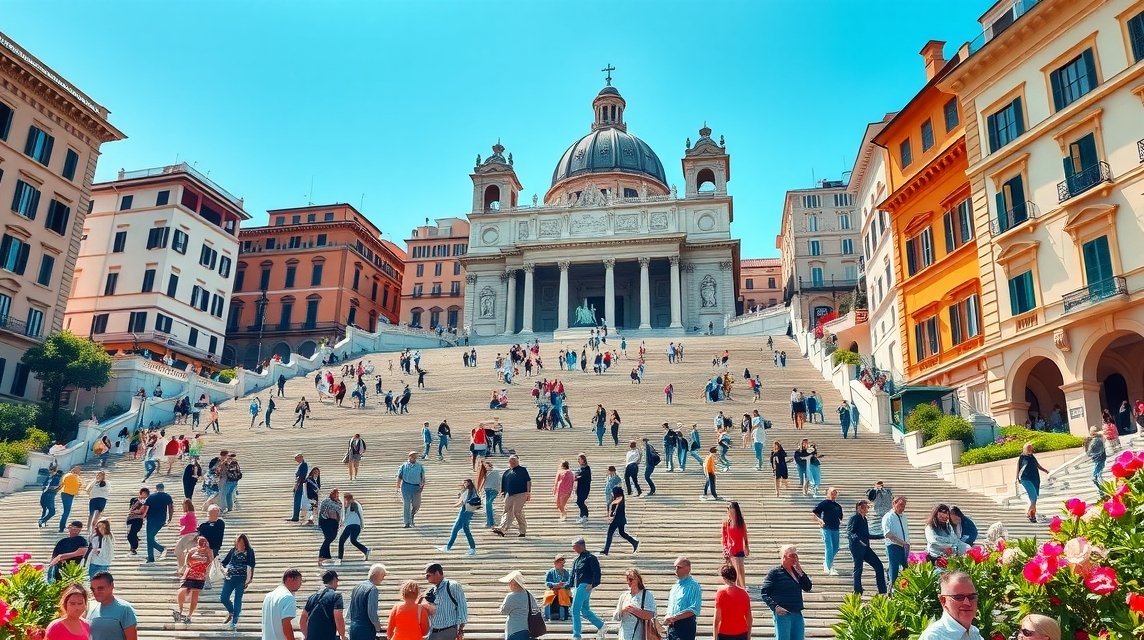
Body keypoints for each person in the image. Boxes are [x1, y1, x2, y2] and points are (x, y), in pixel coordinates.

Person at [760, 545, 813, 640]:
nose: (795, 559)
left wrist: (800, 571)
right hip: (783, 614)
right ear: (784, 557)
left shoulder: (797, 572)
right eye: (792, 556)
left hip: (797, 612)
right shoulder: (775, 573)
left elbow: (807, 587)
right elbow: (764, 592)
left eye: (796, 556)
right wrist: (775, 607)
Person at [918, 571, 982, 640]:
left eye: (972, 597)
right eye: (959, 597)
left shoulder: (974, 633)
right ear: (943, 600)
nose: (967, 603)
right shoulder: (933, 637)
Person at [846, 500, 886, 595]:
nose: (867, 509)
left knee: (879, 566)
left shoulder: (865, 519)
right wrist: (858, 540)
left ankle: (882, 590)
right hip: (857, 548)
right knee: (858, 568)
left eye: (867, 507)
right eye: (865, 507)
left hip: (866, 547)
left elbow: (866, 535)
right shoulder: (854, 517)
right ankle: (857, 591)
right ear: (859, 508)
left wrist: (882, 536)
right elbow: (850, 532)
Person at [419, 562, 469, 640]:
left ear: (437, 573)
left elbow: (462, 607)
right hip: (433, 631)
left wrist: (461, 629)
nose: (426, 577)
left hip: (448, 630)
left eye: (428, 575)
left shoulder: (453, 586)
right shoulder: (432, 590)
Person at [219, 533, 256, 631]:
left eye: (242, 542)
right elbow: (224, 562)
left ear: (245, 543)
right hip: (229, 577)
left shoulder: (249, 552)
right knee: (223, 598)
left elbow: (252, 565)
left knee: (237, 599)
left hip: (241, 579)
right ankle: (231, 611)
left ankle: (234, 621)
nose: (239, 544)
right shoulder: (232, 551)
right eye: (238, 541)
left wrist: (249, 579)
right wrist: (223, 569)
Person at [569, 537, 604, 640]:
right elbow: (572, 575)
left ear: (580, 546)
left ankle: (576, 635)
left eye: (574, 547)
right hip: (577, 587)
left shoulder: (590, 557)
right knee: (585, 610)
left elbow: (597, 572)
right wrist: (567, 585)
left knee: (574, 610)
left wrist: (593, 584)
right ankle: (601, 625)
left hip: (584, 585)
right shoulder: (577, 560)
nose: (573, 549)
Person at [88, 571, 138, 640]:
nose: (96, 592)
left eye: (100, 588)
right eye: (93, 589)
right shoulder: (90, 608)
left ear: (111, 586)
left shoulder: (125, 609)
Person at [174, 536, 214, 623]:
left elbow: (211, 562)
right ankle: (180, 610)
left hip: (200, 576)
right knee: (182, 590)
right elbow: (186, 562)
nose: (202, 546)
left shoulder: (209, 551)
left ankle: (189, 615)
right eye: (200, 544)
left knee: (194, 596)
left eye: (204, 544)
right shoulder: (192, 551)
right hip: (189, 573)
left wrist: (208, 553)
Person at [301, 569, 347, 640]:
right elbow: (338, 616)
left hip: (312, 636)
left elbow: (303, 617)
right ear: (334, 579)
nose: (337, 584)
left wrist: (306, 635)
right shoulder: (336, 596)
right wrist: (342, 635)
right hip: (327, 635)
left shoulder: (313, 596)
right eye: (337, 581)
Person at [493, 454, 532, 538]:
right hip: (509, 494)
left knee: (517, 511)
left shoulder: (523, 470)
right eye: (511, 461)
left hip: (521, 493)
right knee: (506, 511)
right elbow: (504, 483)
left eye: (514, 461)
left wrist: (528, 492)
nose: (513, 462)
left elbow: (528, 481)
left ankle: (522, 530)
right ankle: (502, 528)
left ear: (518, 461)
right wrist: (502, 492)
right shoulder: (507, 472)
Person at [437, 478, 479, 555]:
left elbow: (461, 501)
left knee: (466, 530)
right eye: (464, 483)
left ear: (469, 483)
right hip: (467, 511)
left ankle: (472, 548)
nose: (464, 484)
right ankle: (448, 547)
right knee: (455, 529)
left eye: (465, 483)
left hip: (465, 511)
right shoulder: (472, 491)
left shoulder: (468, 491)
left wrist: (454, 504)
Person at [612, 567, 656, 640]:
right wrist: (623, 611)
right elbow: (615, 616)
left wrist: (633, 610)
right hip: (624, 635)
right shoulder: (624, 596)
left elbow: (650, 615)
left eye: (631, 579)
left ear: (638, 580)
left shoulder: (647, 595)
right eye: (627, 579)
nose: (628, 582)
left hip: (639, 635)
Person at [664, 556, 701, 640]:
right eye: (675, 567)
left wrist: (675, 617)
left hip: (685, 625)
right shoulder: (675, 586)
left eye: (679, 567)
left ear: (688, 569)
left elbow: (694, 609)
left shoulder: (694, 586)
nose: (676, 570)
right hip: (672, 626)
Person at [347, 564, 387, 640]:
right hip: (365, 629)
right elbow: (372, 613)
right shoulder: (373, 589)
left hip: (353, 627)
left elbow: (350, 609)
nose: (383, 578)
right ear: (375, 574)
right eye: (383, 575)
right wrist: (378, 627)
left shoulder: (357, 586)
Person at [262, 569, 304, 640]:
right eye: (300, 581)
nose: (301, 584)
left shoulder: (269, 596)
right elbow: (286, 623)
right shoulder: (288, 597)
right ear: (290, 579)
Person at [712, 564, 751, 640]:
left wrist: (715, 638)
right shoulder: (744, 593)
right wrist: (748, 636)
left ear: (724, 578)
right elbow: (749, 618)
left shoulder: (721, 593)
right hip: (741, 632)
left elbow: (717, 620)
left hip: (724, 633)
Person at [811, 487, 843, 576]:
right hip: (826, 528)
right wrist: (820, 521)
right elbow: (814, 513)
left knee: (836, 548)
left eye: (835, 493)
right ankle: (829, 568)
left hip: (836, 528)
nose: (834, 495)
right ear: (828, 494)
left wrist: (840, 521)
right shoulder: (824, 503)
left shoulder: (838, 506)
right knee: (829, 547)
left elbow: (840, 517)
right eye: (832, 493)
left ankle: (826, 562)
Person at [881, 496, 911, 588]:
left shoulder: (904, 517)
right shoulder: (888, 516)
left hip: (904, 547)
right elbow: (888, 534)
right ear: (894, 503)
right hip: (893, 546)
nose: (903, 508)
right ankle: (891, 588)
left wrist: (907, 543)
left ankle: (903, 589)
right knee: (894, 570)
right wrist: (902, 542)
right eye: (901, 505)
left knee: (906, 569)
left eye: (904, 506)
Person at [1016, 442, 1050, 523]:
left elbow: (1037, 465)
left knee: (1034, 499)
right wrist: (1017, 478)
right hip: (1025, 479)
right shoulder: (1022, 457)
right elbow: (1018, 467)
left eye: (1031, 448)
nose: (1031, 449)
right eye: (1029, 448)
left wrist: (1046, 471)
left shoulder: (1032, 457)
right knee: (1033, 497)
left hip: (1034, 479)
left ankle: (1032, 515)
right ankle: (1030, 514)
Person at [601, 485, 639, 555]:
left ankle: (606, 550)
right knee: (622, 533)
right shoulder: (620, 498)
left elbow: (613, 508)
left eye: (613, 492)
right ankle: (634, 542)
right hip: (621, 519)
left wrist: (610, 516)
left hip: (616, 520)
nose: (612, 493)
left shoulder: (618, 499)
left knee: (610, 533)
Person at [498, 570, 534, 640]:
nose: (508, 584)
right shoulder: (529, 595)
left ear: (513, 582)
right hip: (526, 628)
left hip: (513, 630)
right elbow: (534, 608)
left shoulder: (510, 596)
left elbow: (504, 611)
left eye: (509, 582)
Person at [721, 502, 750, 588]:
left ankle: (743, 587)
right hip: (730, 549)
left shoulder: (740, 522)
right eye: (730, 511)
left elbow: (745, 535)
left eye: (733, 511)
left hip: (739, 548)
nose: (731, 513)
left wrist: (747, 546)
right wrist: (724, 548)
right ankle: (736, 587)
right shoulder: (726, 523)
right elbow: (724, 537)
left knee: (740, 569)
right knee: (734, 570)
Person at [144, 482, 174, 564]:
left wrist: (144, 516)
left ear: (156, 488)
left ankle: (153, 555)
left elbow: (146, 508)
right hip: (161, 520)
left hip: (151, 519)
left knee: (149, 537)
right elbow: (171, 508)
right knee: (150, 537)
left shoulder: (151, 497)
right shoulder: (167, 496)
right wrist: (170, 518)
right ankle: (153, 554)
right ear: (163, 488)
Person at [397, 451, 427, 528]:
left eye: (415, 456)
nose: (414, 458)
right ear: (409, 457)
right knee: (406, 504)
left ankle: (412, 515)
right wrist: (397, 487)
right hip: (406, 486)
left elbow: (423, 478)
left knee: (416, 505)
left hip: (416, 487)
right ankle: (407, 522)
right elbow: (399, 477)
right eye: (413, 456)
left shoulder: (419, 466)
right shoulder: (404, 466)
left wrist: (422, 486)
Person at [339, 492, 371, 562]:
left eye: (345, 499)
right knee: (346, 540)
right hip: (350, 525)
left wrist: (362, 524)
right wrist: (342, 523)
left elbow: (358, 513)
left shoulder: (354, 504)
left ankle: (365, 550)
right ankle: (365, 550)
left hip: (355, 525)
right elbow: (345, 516)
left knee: (350, 540)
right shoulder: (345, 506)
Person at [317, 489, 343, 566]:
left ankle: (327, 555)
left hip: (334, 523)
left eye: (338, 495)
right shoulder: (327, 501)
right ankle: (321, 555)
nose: (337, 496)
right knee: (330, 538)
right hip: (325, 521)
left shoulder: (339, 503)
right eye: (335, 495)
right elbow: (324, 511)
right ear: (332, 494)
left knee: (329, 538)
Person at [172, 500, 198, 574]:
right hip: (190, 534)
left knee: (178, 551)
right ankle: (185, 568)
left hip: (188, 535)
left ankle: (183, 568)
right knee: (187, 552)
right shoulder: (192, 514)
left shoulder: (188, 514)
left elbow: (182, 522)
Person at [544, 555, 572, 622]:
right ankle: (548, 614)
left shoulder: (566, 572)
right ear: (556, 563)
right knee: (548, 595)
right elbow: (547, 583)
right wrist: (555, 585)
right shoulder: (551, 572)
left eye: (563, 563)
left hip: (563, 590)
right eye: (560, 563)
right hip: (553, 590)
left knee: (562, 593)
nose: (562, 565)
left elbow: (570, 582)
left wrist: (563, 585)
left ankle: (563, 614)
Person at [57, 466, 82, 533]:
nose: (80, 472)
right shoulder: (71, 476)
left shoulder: (70, 475)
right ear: (75, 470)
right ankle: (61, 527)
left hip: (68, 494)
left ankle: (62, 526)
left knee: (66, 511)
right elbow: (79, 484)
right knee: (66, 511)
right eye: (79, 470)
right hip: (67, 494)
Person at [479, 460, 503, 528]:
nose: (485, 466)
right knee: (487, 505)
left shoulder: (495, 471)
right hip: (486, 490)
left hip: (494, 489)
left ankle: (491, 522)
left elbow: (500, 480)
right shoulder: (484, 472)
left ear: (489, 465)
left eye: (486, 465)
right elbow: (482, 482)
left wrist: (501, 490)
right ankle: (490, 522)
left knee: (488, 504)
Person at [1086, 426, 1108, 495]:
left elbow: (1090, 452)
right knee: (1097, 476)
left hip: (1099, 460)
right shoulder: (1099, 439)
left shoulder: (1096, 440)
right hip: (1100, 459)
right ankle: (1101, 489)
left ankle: (1103, 489)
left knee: (1096, 476)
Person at [289, 453, 309, 522]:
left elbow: (301, 477)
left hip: (300, 484)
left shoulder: (304, 465)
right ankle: (295, 516)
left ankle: (295, 517)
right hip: (299, 484)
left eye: (297, 458)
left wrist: (297, 486)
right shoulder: (301, 465)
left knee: (297, 500)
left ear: (301, 457)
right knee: (296, 500)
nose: (295, 460)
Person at [574, 454, 592, 524]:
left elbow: (581, 476)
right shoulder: (581, 467)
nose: (578, 461)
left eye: (580, 459)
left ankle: (584, 516)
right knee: (580, 502)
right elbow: (578, 474)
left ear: (583, 460)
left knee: (580, 502)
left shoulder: (587, 468)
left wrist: (575, 477)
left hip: (584, 488)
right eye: (578, 459)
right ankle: (583, 516)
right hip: (580, 488)